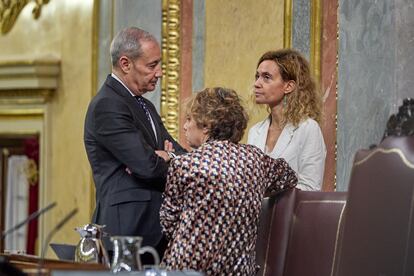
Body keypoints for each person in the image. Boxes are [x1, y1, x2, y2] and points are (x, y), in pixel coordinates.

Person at [160, 87, 297, 275]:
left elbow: (168, 222)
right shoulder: (256, 159)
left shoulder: (185, 164)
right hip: (238, 269)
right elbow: (289, 177)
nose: (184, 126)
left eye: (189, 119)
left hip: (189, 267)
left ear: (206, 125)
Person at [83, 27, 186, 258]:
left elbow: (180, 154)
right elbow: (148, 166)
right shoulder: (107, 105)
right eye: (152, 65)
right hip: (126, 231)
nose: (159, 73)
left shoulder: (145, 106)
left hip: (156, 233)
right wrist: (156, 157)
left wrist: (168, 156)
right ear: (125, 64)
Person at [247, 49, 326, 191]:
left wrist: (268, 190)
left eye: (266, 77)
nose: (257, 83)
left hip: (293, 212)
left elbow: (310, 188)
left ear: (288, 86)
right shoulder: (255, 131)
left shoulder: (308, 128)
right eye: (257, 76)